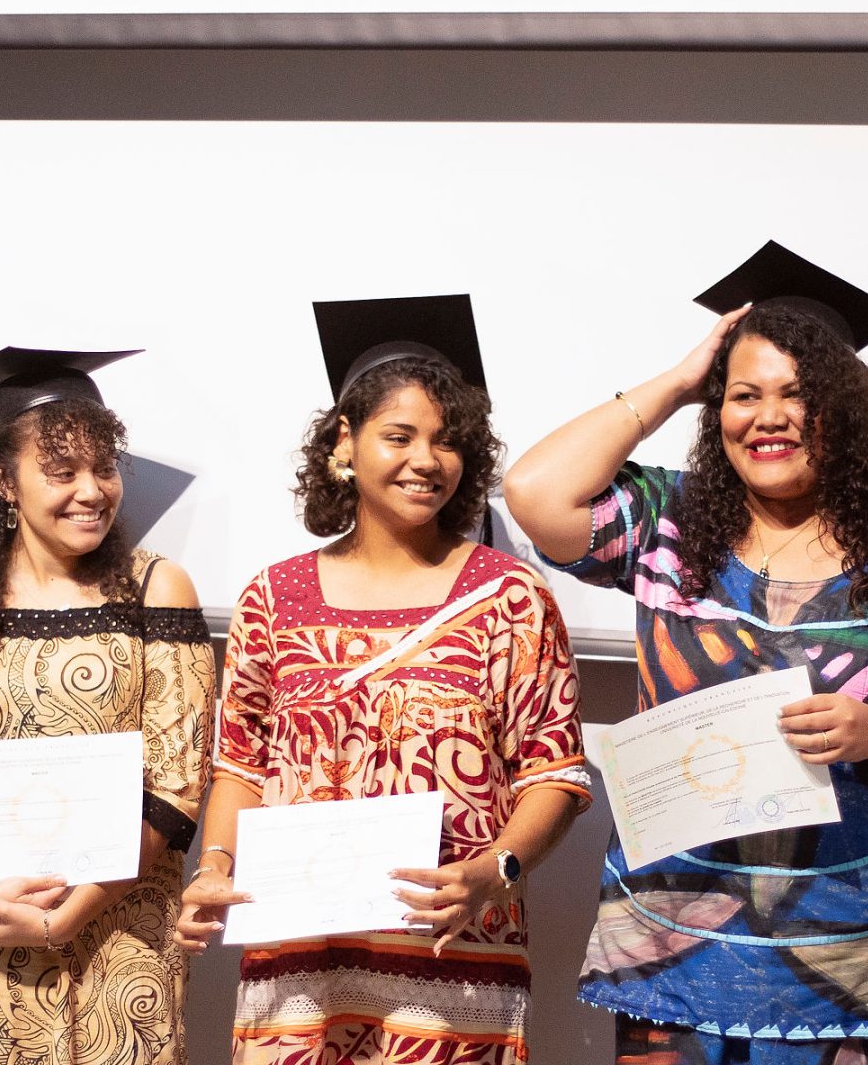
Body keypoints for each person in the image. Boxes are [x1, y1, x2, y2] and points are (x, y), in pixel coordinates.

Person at [505, 244, 868, 1065]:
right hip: (677, 959)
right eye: (744, 396)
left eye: (798, 394)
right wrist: (683, 380)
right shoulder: (669, 526)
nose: (768, 417)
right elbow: (535, 493)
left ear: (845, 410)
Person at [177, 294, 591, 1065]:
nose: (425, 461)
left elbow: (555, 773)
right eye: (399, 436)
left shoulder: (509, 597)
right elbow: (241, 764)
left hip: (454, 967)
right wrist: (215, 870)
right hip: (300, 972)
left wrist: (494, 871)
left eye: (447, 441)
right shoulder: (274, 597)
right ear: (346, 440)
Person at [0, 346, 214, 1065]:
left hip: (115, 943)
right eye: (62, 472)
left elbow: (176, 782)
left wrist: (68, 916)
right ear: (4, 481)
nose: (92, 491)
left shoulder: (157, 589)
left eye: (104, 468)